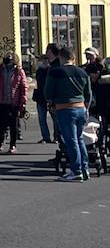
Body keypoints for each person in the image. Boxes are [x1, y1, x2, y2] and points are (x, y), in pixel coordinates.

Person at [45, 45, 94, 181]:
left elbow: (48, 92)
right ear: (73, 57)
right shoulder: (83, 72)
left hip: (65, 108)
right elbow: (88, 94)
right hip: (81, 108)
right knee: (79, 139)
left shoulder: (55, 72)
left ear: (61, 57)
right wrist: (86, 108)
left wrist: (51, 103)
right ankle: (85, 169)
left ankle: (76, 170)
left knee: (70, 140)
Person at [0, 52, 28, 154]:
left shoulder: (19, 71)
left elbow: (24, 87)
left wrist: (23, 102)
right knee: (0, 123)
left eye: (9, 59)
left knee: (13, 125)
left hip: (13, 102)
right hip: (0, 101)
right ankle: (1, 140)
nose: (7, 61)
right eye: (6, 58)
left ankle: (13, 144)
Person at [33, 43, 57, 143]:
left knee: (55, 120)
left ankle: (56, 137)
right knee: (42, 120)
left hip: (50, 98)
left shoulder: (51, 70)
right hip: (40, 98)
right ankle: (46, 137)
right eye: (39, 60)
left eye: (42, 60)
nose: (40, 62)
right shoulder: (39, 71)